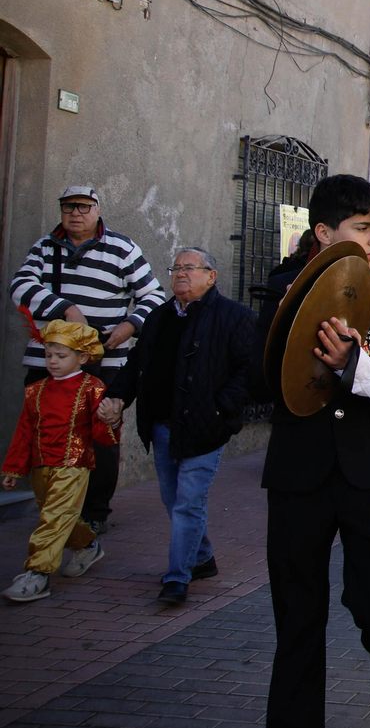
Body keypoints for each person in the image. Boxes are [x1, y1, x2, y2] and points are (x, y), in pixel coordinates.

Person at [254, 174, 370, 728]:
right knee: (297, 622)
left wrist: (357, 369)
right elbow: (258, 381)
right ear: (324, 233)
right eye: (363, 227)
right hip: (299, 474)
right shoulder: (281, 292)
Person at [102, 247, 254, 607]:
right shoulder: (158, 318)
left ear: (211, 276)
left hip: (205, 427)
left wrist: (219, 410)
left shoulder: (235, 317)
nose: (180, 274)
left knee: (188, 502)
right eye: (176, 268)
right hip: (163, 426)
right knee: (173, 499)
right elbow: (137, 362)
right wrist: (117, 397)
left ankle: (177, 578)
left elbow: (247, 371)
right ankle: (201, 558)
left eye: (190, 268)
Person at [9, 186, 164, 534]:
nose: (74, 213)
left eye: (83, 207)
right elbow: (20, 285)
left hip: (106, 363)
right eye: (68, 207)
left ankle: (94, 514)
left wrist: (129, 325)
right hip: (48, 362)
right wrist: (65, 309)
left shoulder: (122, 248)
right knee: (42, 430)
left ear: (97, 210)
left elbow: (154, 296)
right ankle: (51, 508)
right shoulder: (44, 248)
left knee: (100, 436)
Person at [1, 321, 115, 603]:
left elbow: (103, 433)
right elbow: (24, 432)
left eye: (61, 356)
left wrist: (109, 418)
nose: (52, 361)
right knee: (57, 515)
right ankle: (87, 546)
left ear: (83, 357)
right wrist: (14, 469)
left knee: (54, 516)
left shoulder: (92, 388)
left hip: (74, 463)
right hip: (42, 465)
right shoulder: (35, 391)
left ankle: (38, 574)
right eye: (48, 355)